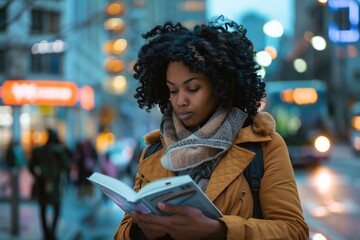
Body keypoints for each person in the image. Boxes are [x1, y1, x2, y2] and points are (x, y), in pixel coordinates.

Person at [114, 16, 309, 240]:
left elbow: (294, 231)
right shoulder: (154, 151)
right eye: (173, 90)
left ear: (220, 86)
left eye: (193, 88)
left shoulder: (264, 147)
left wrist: (218, 230)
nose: (180, 101)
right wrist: (142, 230)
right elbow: (122, 232)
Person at [28, 128, 70, 240]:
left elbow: (31, 166)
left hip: (44, 184)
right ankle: (51, 232)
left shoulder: (39, 151)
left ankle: (47, 233)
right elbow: (66, 166)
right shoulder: (58, 151)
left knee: (43, 208)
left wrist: (37, 175)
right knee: (55, 208)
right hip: (53, 185)